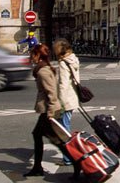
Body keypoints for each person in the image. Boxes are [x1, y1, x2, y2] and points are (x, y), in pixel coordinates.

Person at [24, 44, 64, 178]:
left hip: (49, 109)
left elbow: (51, 92)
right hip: (50, 109)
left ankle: (76, 160)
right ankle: (37, 167)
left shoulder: (43, 71)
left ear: (38, 55)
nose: (31, 58)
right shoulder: (45, 68)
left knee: (56, 140)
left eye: (32, 55)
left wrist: (51, 112)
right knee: (51, 138)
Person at [53, 38, 80, 166]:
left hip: (66, 100)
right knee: (65, 127)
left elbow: (63, 85)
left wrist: (61, 104)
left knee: (64, 130)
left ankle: (69, 157)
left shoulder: (64, 63)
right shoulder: (73, 59)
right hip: (73, 97)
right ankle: (69, 156)